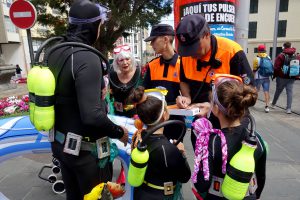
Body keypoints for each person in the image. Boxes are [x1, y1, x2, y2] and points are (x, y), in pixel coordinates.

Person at [46, 1, 128, 199]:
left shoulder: (54, 51)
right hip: (87, 154)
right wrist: (119, 132)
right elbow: (92, 115)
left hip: (60, 145)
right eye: (99, 25)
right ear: (93, 26)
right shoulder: (87, 57)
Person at [175, 14, 254, 149]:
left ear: (207, 34)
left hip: (231, 126)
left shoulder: (232, 51)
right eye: (187, 49)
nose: (192, 54)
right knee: (203, 163)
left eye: (195, 47)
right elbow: (184, 81)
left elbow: (248, 92)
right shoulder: (186, 56)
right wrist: (186, 97)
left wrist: (212, 106)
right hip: (201, 125)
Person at [192, 74, 267, 200]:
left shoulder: (212, 141)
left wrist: (198, 137)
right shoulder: (256, 139)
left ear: (216, 109)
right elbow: (261, 177)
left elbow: (202, 184)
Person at [129, 86, 191, 200]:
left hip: (141, 193)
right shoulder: (167, 149)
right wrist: (181, 153)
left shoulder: (138, 136)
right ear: (165, 115)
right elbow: (185, 176)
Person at [143, 24, 185, 141]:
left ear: (166, 40)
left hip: (175, 122)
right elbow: (144, 91)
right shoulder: (152, 65)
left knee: (175, 156)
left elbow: (189, 97)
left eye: (153, 40)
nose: (151, 44)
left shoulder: (183, 65)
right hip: (154, 121)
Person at [109, 44, 141, 117]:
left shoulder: (140, 73)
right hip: (117, 115)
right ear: (117, 62)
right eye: (121, 60)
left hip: (138, 116)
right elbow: (109, 95)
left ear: (132, 59)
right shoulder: (112, 75)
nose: (125, 63)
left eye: (127, 59)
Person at [271, 42, 299, 114]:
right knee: (289, 92)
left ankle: (273, 104)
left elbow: (276, 67)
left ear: (283, 47)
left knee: (278, 91)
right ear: (291, 46)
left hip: (281, 77)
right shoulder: (296, 55)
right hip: (292, 76)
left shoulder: (281, 55)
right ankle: (288, 109)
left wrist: (275, 75)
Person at [253, 44, 271, 113]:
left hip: (258, 77)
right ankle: (267, 106)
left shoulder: (256, 58)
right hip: (266, 77)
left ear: (258, 50)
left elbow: (254, 69)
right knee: (266, 91)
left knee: (256, 90)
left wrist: (253, 77)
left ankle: (253, 103)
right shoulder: (268, 57)